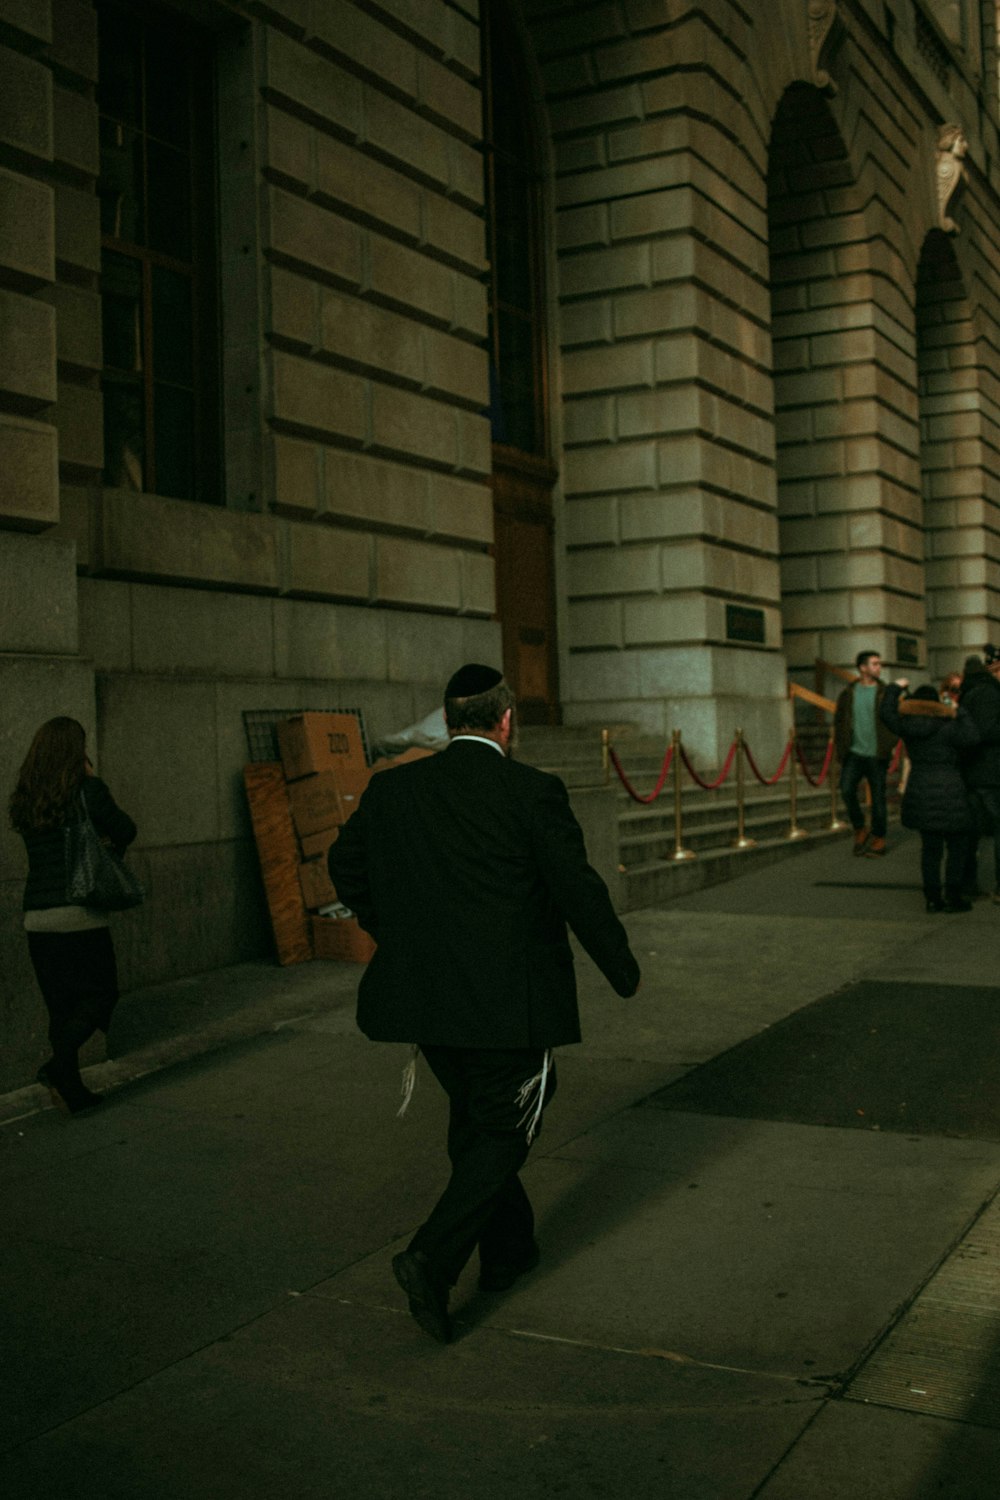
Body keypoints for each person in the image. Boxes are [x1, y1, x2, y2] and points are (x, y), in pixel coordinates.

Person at [328, 664, 641, 1344]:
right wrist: (622, 968)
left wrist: (401, 936)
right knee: (506, 1124)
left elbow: (345, 868)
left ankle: (508, 1251)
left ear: (447, 723)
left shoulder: (394, 790)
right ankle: (432, 1259)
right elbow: (577, 888)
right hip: (508, 1001)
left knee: (478, 1121)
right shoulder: (532, 791)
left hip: (427, 998)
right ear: (506, 722)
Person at [9, 717, 137, 1113]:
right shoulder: (87, 790)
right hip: (79, 915)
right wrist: (91, 782)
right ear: (75, 751)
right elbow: (126, 830)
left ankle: (73, 1090)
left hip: (37, 918)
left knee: (61, 1008)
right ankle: (57, 1068)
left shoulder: (26, 797)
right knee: (102, 995)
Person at [879, 683, 979, 912]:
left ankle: (932, 899)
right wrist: (958, 709)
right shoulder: (948, 726)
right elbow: (973, 736)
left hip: (920, 786)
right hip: (951, 786)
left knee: (930, 849)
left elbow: (886, 714)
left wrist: (894, 688)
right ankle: (953, 896)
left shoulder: (907, 726)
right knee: (957, 846)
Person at [834, 650, 897, 857]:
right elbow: (840, 721)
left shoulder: (885, 692)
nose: (879, 668)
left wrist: (888, 745)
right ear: (862, 668)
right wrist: (842, 749)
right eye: (874, 664)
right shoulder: (848, 693)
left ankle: (879, 837)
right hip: (854, 753)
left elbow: (894, 721)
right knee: (846, 789)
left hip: (877, 754)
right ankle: (860, 828)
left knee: (878, 798)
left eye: (879, 664)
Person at [957, 649, 1000, 902]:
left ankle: (967, 883)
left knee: (970, 832)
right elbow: (985, 731)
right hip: (991, 772)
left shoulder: (970, 693)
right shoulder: (989, 693)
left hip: (972, 771)